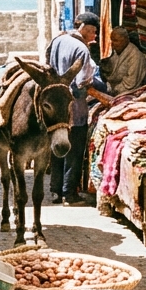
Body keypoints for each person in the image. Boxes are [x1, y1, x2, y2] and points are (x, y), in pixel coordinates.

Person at [47, 12, 98, 205]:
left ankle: (55, 191)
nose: (94, 36)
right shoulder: (82, 50)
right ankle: (69, 194)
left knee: (57, 146)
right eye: (93, 32)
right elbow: (82, 83)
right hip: (75, 108)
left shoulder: (58, 41)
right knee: (74, 151)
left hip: (57, 107)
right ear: (84, 28)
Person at [100, 27, 146, 95]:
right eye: (111, 40)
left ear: (126, 40)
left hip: (129, 94)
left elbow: (130, 84)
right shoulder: (117, 51)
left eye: (116, 40)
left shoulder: (135, 56)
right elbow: (111, 75)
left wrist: (113, 91)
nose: (112, 44)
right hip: (113, 91)